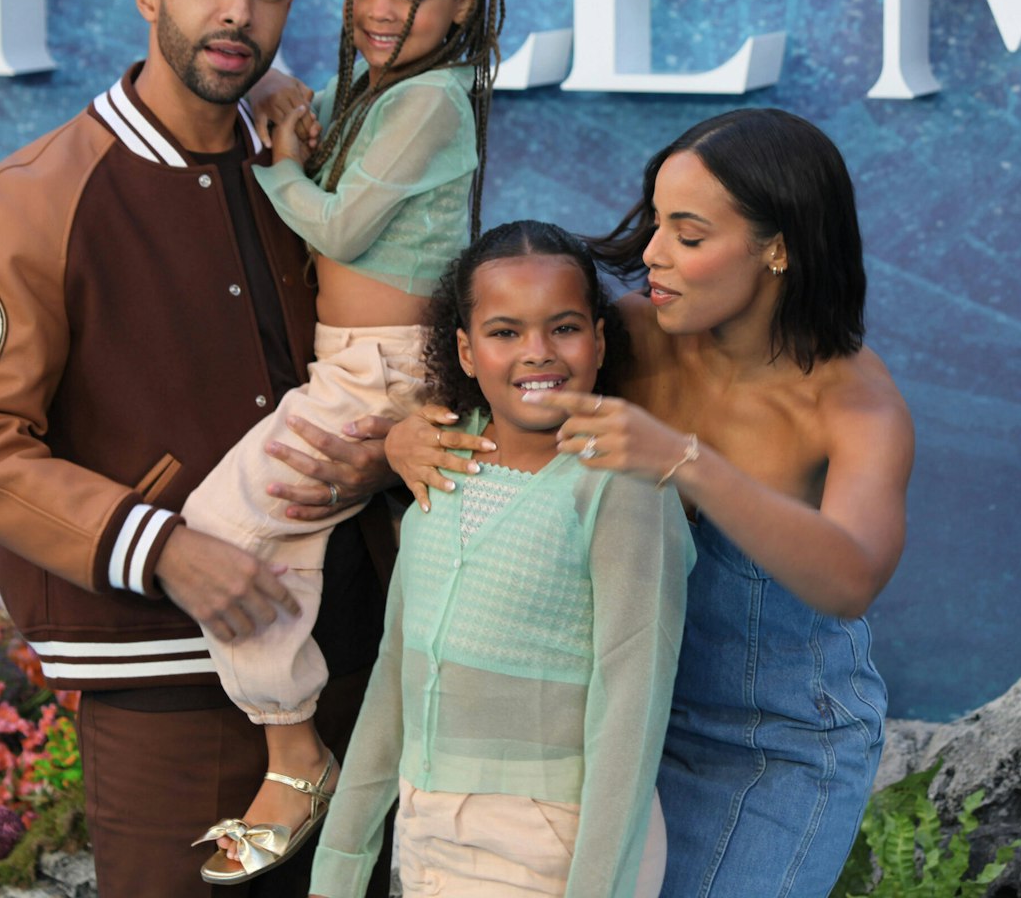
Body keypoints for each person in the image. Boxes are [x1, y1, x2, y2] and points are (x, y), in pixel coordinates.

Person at [0, 0, 398, 898]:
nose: (239, 14)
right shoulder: (35, 199)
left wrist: (382, 450)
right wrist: (168, 548)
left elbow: (374, 351)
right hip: (170, 691)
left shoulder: (303, 170)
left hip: (354, 658)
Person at [386, 109, 915, 897]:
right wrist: (402, 437)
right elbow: (492, 382)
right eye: (655, 222)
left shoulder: (858, 407)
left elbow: (853, 579)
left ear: (779, 248)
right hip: (622, 728)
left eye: (689, 236)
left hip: (780, 747)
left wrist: (687, 463)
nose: (651, 255)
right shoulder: (625, 335)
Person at [181, 0, 504, 886]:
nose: (379, 12)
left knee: (224, 528)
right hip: (347, 364)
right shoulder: (378, 87)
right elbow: (297, 103)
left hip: (385, 373)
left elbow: (342, 222)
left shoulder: (435, 103)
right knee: (279, 536)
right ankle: (315, 754)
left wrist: (272, 162)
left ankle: (294, 749)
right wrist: (280, 95)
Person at [306, 220, 694, 898]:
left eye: (565, 328)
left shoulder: (623, 485)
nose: (537, 354)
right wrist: (338, 866)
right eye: (505, 332)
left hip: (555, 846)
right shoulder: (441, 464)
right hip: (426, 836)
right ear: (464, 349)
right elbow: (397, 670)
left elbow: (631, 707)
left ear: (599, 341)